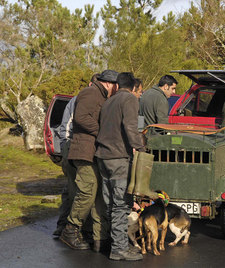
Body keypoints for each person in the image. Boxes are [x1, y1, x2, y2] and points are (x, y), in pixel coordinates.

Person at [60, 70, 119, 251]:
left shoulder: (100, 96)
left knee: (96, 193)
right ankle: (70, 229)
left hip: (92, 152)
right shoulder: (90, 92)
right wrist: (104, 131)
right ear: (109, 83)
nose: (118, 89)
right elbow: (81, 118)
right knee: (87, 191)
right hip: (83, 151)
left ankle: (98, 236)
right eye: (117, 85)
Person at [95, 72, 144, 261]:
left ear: (118, 85)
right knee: (121, 205)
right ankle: (119, 249)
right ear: (132, 87)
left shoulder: (109, 101)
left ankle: (117, 244)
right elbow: (130, 127)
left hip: (103, 157)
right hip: (118, 158)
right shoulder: (129, 100)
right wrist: (140, 148)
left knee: (110, 204)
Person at [53, 74, 100, 237]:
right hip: (71, 145)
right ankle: (67, 228)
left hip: (72, 145)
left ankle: (64, 225)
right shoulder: (81, 98)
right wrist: (65, 148)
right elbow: (68, 126)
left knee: (72, 189)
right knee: (75, 189)